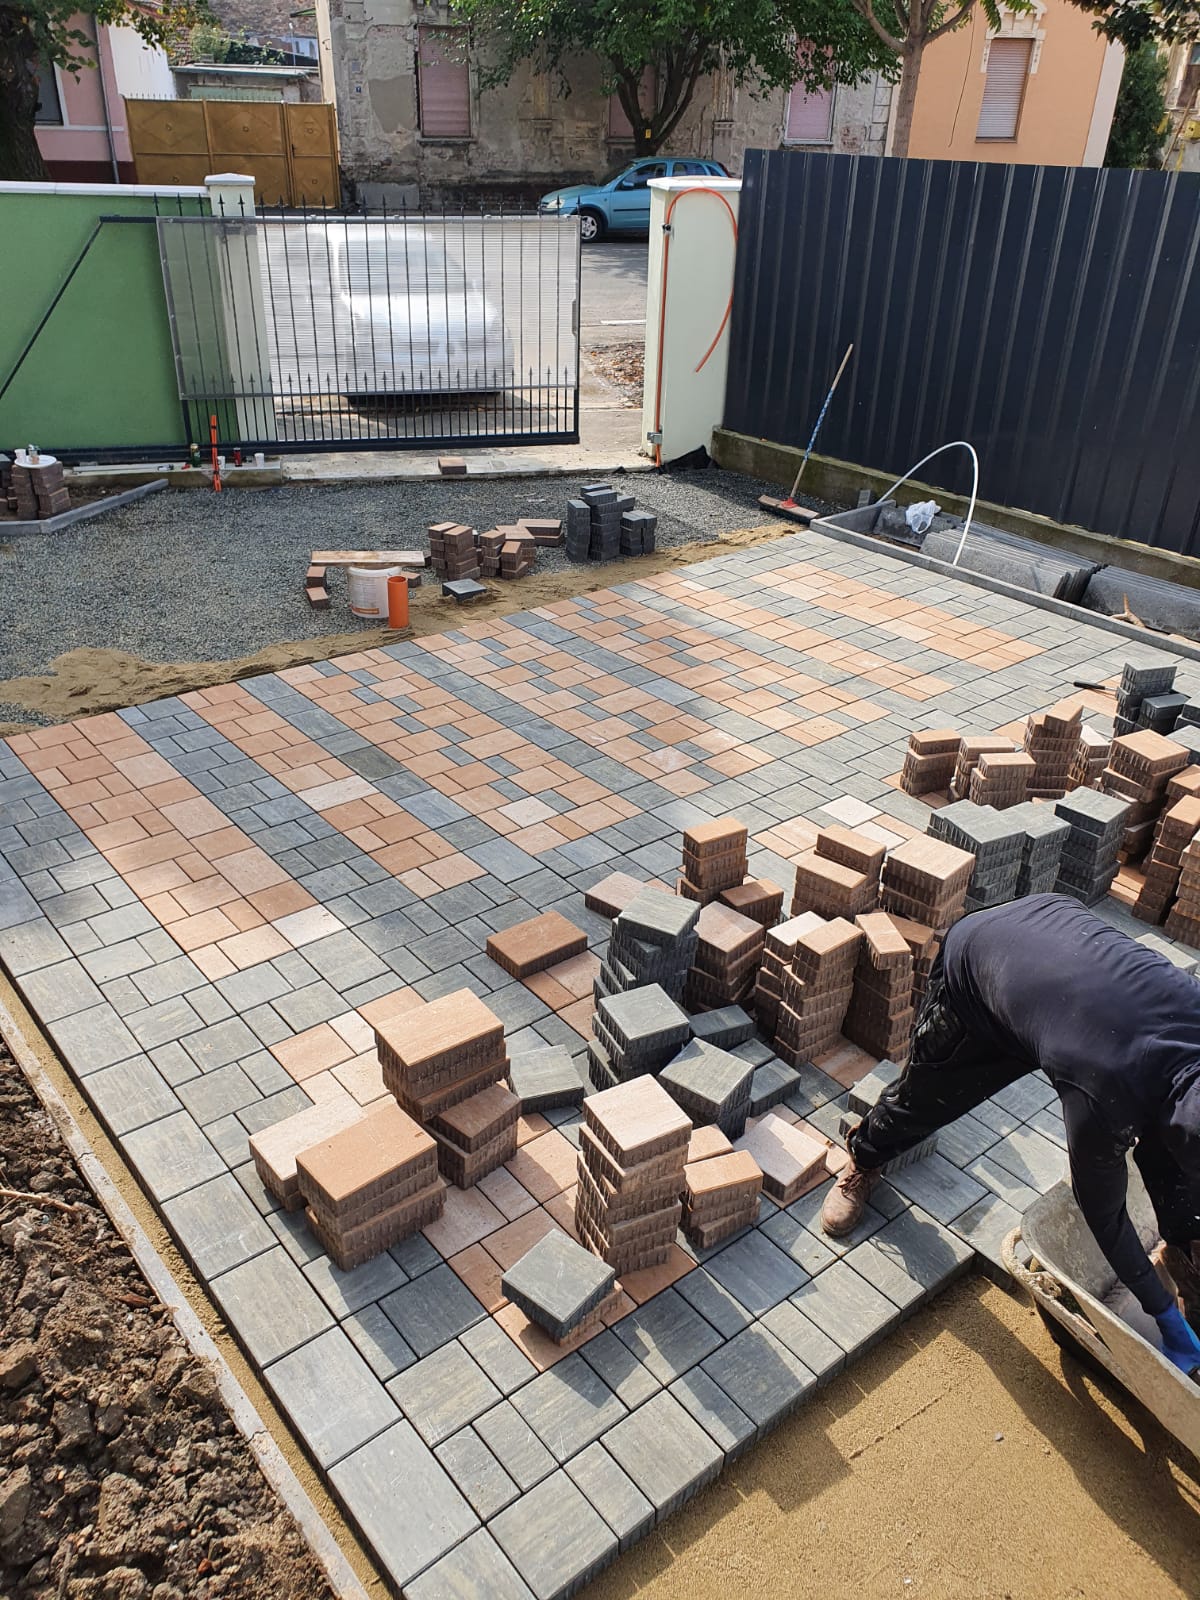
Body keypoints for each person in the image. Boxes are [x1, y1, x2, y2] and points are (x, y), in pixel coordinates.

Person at [821, 892, 1200, 1376]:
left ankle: (1188, 1259)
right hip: (982, 965)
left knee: (1176, 1169)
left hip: (1063, 948)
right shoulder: (1102, 1100)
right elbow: (1104, 1216)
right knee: (928, 1098)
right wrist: (1162, 1314)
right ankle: (864, 1157)